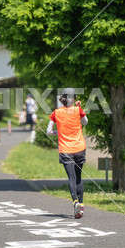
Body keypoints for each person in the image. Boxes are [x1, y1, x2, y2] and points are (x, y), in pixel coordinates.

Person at [47, 88, 88, 219]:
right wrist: (80, 109)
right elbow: (85, 122)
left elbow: (49, 131)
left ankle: (75, 202)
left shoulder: (56, 113)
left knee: (71, 178)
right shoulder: (78, 110)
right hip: (80, 148)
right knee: (79, 177)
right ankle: (81, 206)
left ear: (62, 99)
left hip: (66, 150)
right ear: (74, 98)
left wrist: (60, 133)